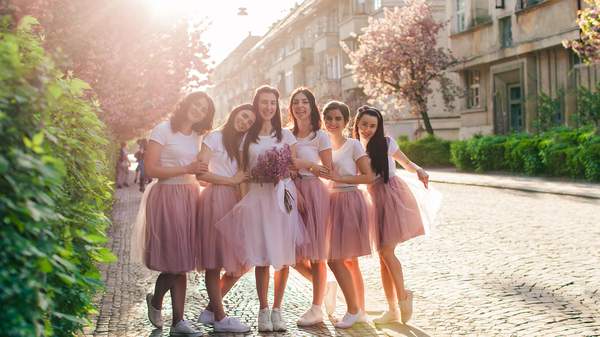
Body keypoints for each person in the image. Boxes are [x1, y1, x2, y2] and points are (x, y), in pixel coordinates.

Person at [214, 85, 305, 332]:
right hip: (257, 199)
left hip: (282, 198)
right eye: (264, 102)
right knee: (262, 257)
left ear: (277, 106)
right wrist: (244, 202)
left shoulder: (286, 135)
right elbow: (242, 173)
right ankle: (263, 310)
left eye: (273, 103)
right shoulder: (246, 138)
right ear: (257, 105)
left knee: (283, 256)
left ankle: (278, 309)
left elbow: (294, 168)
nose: (268, 107)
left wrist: (280, 171)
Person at [131, 91, 214, 335]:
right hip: (167, 196)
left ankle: (178, 322)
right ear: (186, 103)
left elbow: (198, 170)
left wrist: (210, 182)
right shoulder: (163, 129)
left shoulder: (199, 136)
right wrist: (187, 167)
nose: (198, 110)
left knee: (185, 260)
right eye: (196, 104)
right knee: (176, 261)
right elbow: (151, 169)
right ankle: (156, 301)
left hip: (190, 196)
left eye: (204, 109)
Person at [353, 105, 430, 324]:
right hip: (372, 201)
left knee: (387, 252)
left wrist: (419, 170)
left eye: (372, 125)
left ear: (379, 127)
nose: (368, 129)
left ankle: (404, 297)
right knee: (382, 258)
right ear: (357, 124)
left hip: (392, 197)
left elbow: (406, 162)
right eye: (364, 124)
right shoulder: (355, 148)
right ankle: (392, 309)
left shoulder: (386, 143)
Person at [195, 104, 257, 333]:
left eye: (250, 121)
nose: (245, 122)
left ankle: (211, 310)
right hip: (214, 199)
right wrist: (231, 181)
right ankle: (220, 317)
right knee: (214, 261)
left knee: (241, 261)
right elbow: (201, 173)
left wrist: (244, 203)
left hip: (234, 201)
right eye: (243, 116)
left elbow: (242, 177)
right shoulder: (214, 137)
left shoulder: (242, 143)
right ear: (234, 114)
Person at [319, 101, 374, 329]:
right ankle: (356, 309)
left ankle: (354, 310)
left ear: (345, 121)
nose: (333, 122)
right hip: (329, 202)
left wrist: (340, 179)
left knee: (339, 259)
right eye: (329, 118)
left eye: (338, 118)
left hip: (349, 200)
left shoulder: (353, 145)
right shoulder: (320, 143)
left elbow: (368, 176)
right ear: (323, 120)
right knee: (336, 258)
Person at [286, 87, 333, 326]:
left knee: (316, 255)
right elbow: (284, 165)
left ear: (311, 106)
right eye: (296, 102)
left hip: (314, 192)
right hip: (291, 193)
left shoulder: (320, 136)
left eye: (304, 102)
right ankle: (326, 285)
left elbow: (328, 170)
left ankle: (316, 309)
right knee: (291, 255)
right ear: (291, 107)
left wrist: (309, 167)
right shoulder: (286, 134)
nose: (300, 106)